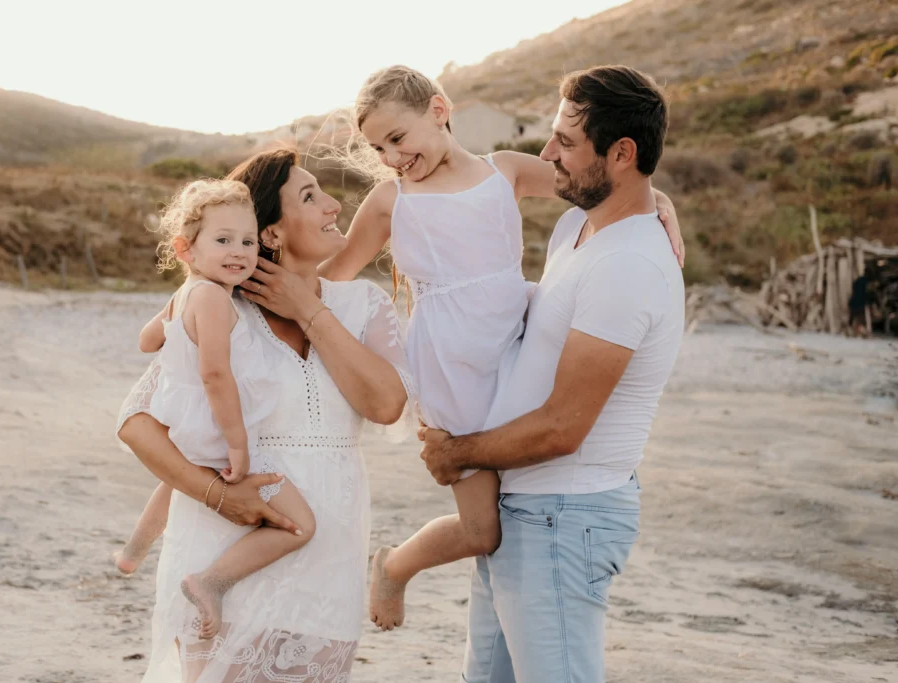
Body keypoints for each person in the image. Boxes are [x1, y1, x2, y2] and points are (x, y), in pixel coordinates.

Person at [318, 64, 683, 631]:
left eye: (397, 138)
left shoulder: (504, 172)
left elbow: (596, 182)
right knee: (482, 530)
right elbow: (335, 272)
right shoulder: (391, 202)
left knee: (517, 500)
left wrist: (660, 201)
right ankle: (394, 565)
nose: (390, 157)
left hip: (512, 352)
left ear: (439, 110)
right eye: (377, 147)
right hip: (450, 369)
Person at [419, 65, 686, 683]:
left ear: (622, 154)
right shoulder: (577, 227)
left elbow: (564, 428)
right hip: (526, 511)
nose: (548, 155)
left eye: (565, 143)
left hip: (566, 518)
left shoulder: (629, 267)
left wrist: (456, 453)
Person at [117, 148, 413, 683]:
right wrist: (220, 496)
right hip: (222, 551)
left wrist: (308, 309)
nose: (332, 204)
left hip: (330, 557)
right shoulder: (219, 304)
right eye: (309, 195)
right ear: (271, 233)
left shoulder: (363, 306)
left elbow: (387, 405)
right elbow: (137, 422)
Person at [113, 178, 315, 641]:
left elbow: (148, 340)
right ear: (186, 249)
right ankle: (212, 581)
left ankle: (133, 551)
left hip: (181, 421)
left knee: (177, 477)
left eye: (246, 241)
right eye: (223, 241)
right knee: (301, 526)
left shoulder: (186, 293)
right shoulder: (211, 299)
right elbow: (215, 376)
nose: (239, 251)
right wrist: (238, 443)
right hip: (214, 427)